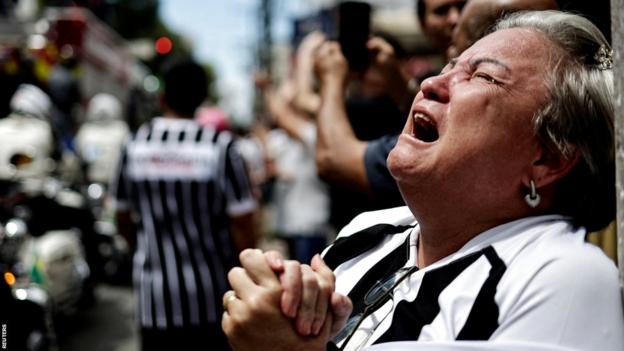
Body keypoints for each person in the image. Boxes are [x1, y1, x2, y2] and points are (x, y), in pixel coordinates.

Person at [221, 10, 623, 351]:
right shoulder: (371, 232)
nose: (431, 83)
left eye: (483, 77)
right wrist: (286, 304)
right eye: (450, 67)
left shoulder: (564, 276)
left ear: (548, 158)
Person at [111, 59, 257, 351]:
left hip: (154, 299)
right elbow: (242, 224)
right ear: (202, 99)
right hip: (211, 296)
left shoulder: (135, 144)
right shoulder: (220, 146)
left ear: (162, 97)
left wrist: (144, 247)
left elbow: (122, 216)